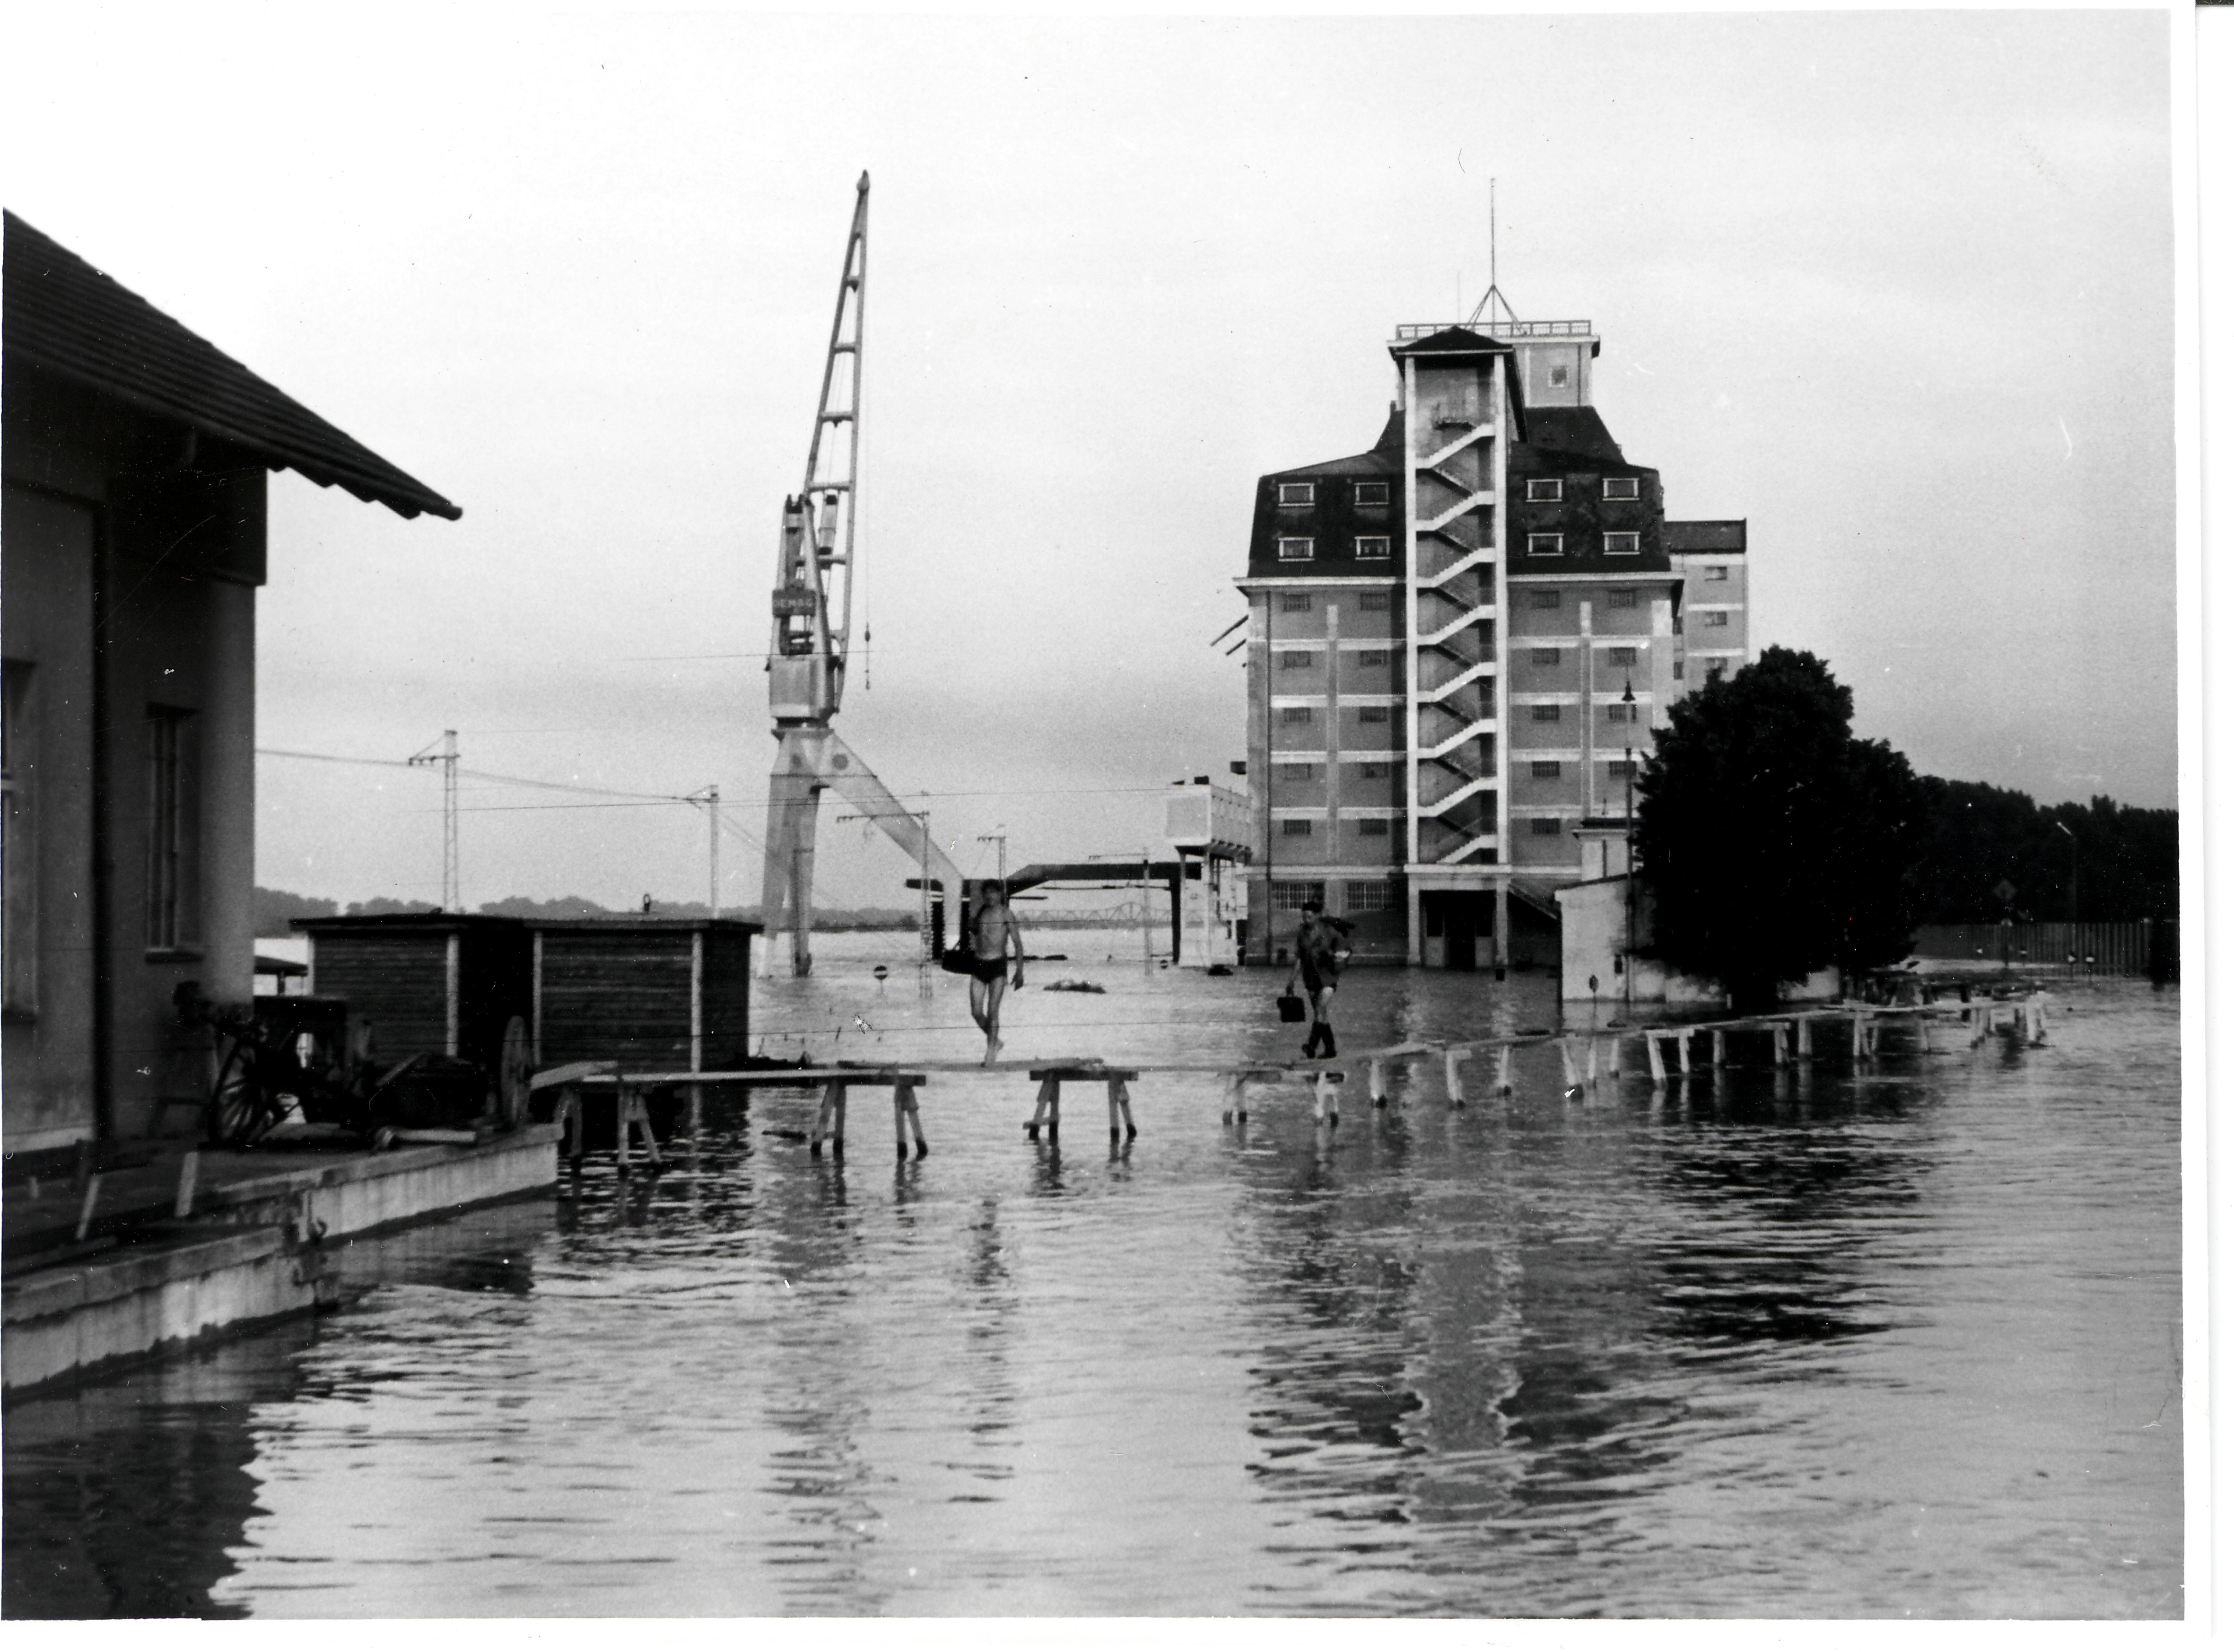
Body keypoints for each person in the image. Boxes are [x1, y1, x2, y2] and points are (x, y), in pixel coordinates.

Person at [966, 881, 1026, 1066]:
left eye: (994, 893)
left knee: (993, 1012)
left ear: (1000, 895)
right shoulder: (981, 912)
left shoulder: (1006, 914)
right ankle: (996, 1042)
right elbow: (976, 935)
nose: (991, 897)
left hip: (998, 966)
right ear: (984, 895)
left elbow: (1017, 943)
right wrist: (972, 926)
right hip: (979, 965)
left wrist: (1020, 971)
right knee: (976, 1012)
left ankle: (990, 1053)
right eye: (988, 894)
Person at [1286, 902, 1353, 1059]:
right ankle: (1331, 1050)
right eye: (1304, 917)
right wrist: (1291, 981)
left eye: (1309, 917)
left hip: (1328, 977)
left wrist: (1339, 956)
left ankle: (1311, 1046)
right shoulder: (1302, 934)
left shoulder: (1330, 932)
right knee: (1320, 1015)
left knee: (1321, 1009)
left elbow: (1345, 949)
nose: (1306, 920)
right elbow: (1300, 958)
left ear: (1317, 916)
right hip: (1310, 978)